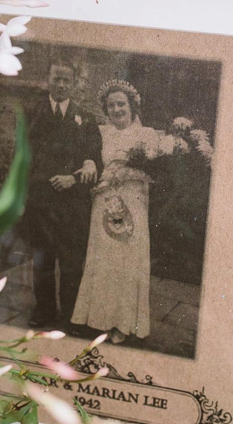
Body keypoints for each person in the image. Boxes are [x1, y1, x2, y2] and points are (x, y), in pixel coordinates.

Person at [71, 80, 182, 344]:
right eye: (111, 105)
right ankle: (99, 319)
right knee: (104, 260)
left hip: (133, 204)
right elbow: (91, 162)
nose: (116, 109)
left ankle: (123, 323)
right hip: (104, 202)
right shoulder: (100, 133)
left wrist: (127, 173)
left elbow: (158, 176)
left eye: (121, 104)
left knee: (127, 262)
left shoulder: (149, 136)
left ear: (132, 105)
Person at [23, 60, 101, 329]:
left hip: (72, 202)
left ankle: (70, 315)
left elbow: (95, 160)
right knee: (42, 260)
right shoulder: (32, 112)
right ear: (48, 78)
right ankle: (44, 310)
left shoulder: (86, 118)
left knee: (71, 261)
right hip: (41, 200)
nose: (61, 84)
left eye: (67, 80)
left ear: (74, 83)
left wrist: (73, 178)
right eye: (57, 78)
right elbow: (23, 157)